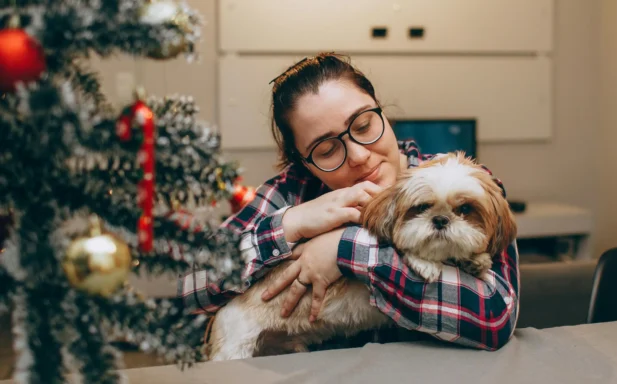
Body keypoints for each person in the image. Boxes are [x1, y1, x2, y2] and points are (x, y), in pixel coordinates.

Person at [178, 52, 520, 351]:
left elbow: (495, 318)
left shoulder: (468, 181)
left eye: (364, 124)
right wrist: (291, 223)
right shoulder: (293, 191)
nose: (358, 155)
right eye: (326, 150)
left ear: (383, 113)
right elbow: (191, 286)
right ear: (304, 163)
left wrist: (344, 250)